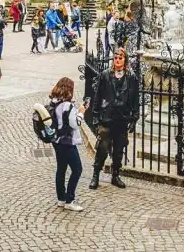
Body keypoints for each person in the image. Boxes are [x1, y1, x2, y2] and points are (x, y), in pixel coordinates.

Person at [87, 48, 139, 190]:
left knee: (119, 149)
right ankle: (95, 175)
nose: (117, 60)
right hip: (107, 117)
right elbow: (97, 96)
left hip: (122, 118)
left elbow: (135, 98)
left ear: (125, 60)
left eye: (120, 57)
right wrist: (95, 116)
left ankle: (115, 175)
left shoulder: (131, 77)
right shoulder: (105, 75)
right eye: (115, 57)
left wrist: (134, 117)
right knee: (102, 147)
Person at [49, 77, 85, 211]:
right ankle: (70, 199)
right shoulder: (67, 105)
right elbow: (75, 124)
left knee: (61, 168)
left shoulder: (54, 102)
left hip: (57, 141)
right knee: (77, 169)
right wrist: (81, 113)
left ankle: (61, 199)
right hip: (67, 142)